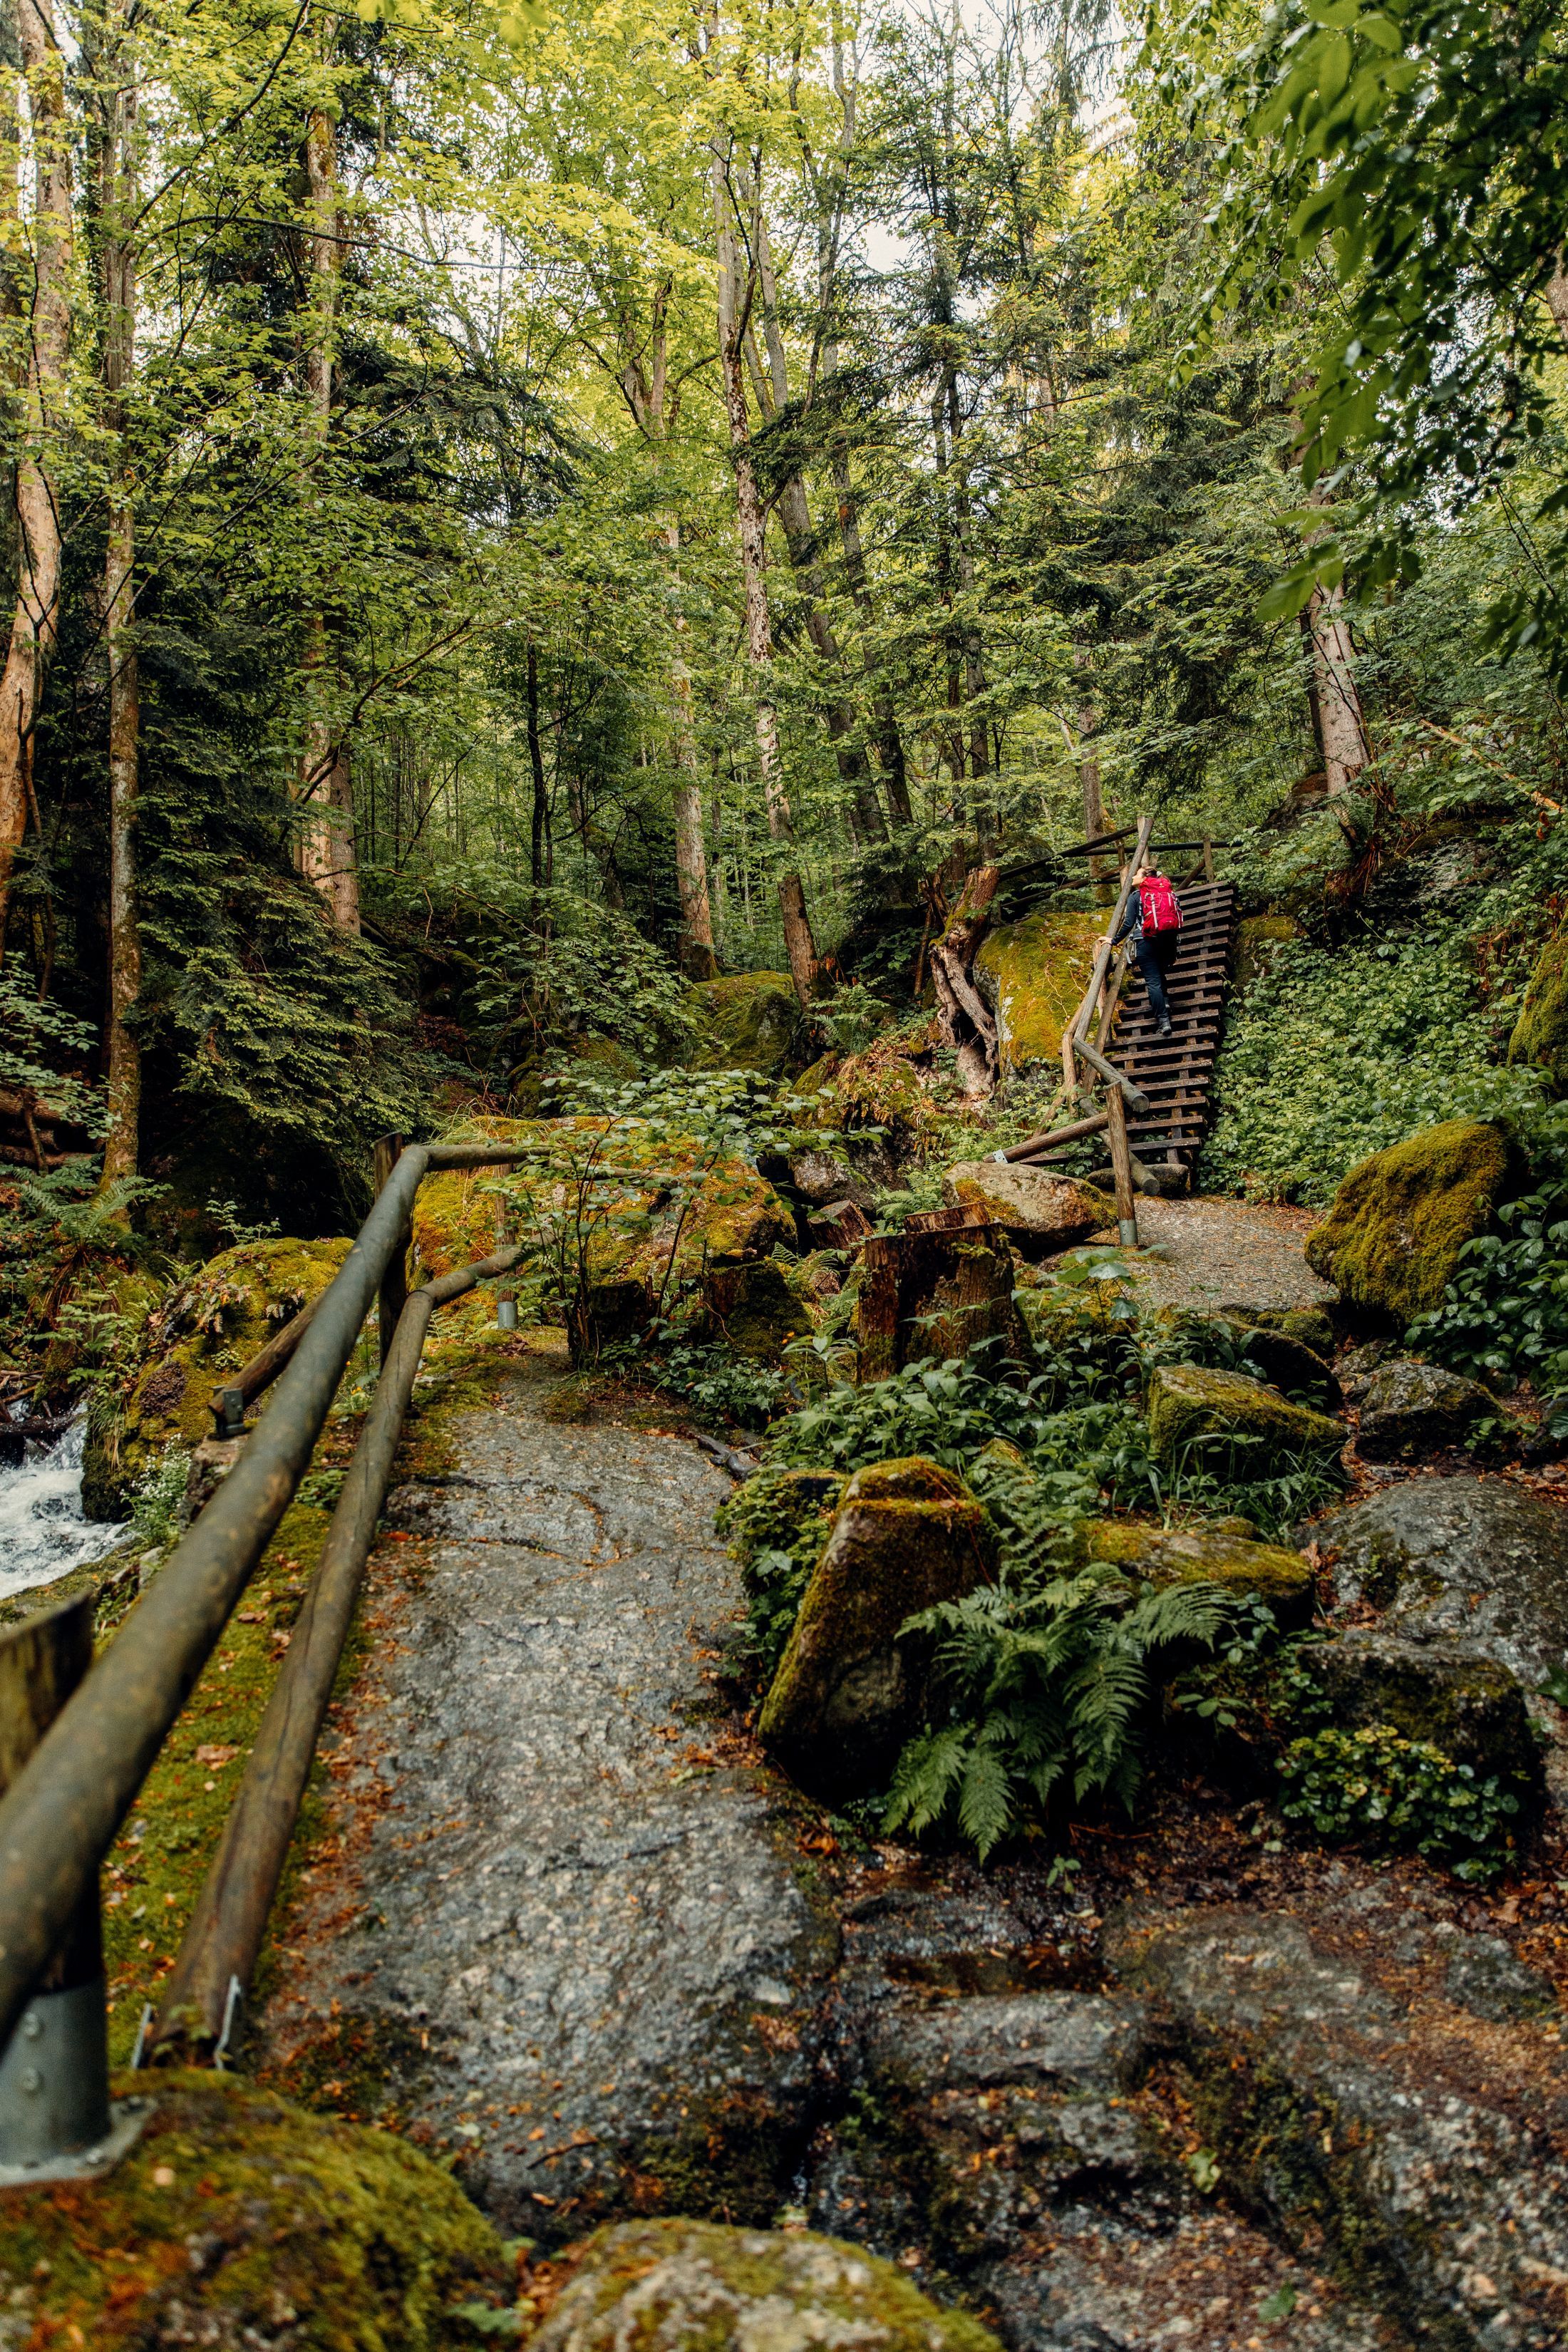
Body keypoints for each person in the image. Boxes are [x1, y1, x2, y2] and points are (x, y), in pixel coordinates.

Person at [1110, 864, 1182, 1038]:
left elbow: (1128, 923)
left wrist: (1113, 941)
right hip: (1167, 941)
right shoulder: (1169, 895)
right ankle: (1164, 1001)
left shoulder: (1136, 897)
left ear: (1144, 879)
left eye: (1136, 875)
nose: (1133, 877)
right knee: (1160, 972)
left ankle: (1164, 1021)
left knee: (1153, 982)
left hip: (1145, 942)